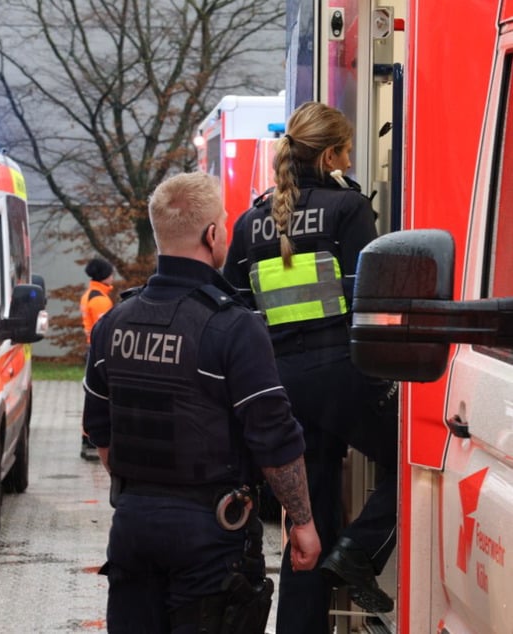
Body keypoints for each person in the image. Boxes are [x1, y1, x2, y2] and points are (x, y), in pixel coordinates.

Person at [82, 171, 321, 633]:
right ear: (212, 234)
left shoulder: (112, 325)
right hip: (210, 535)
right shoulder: (233, 326)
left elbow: (100, 431)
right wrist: (303, 522)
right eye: (224, 225)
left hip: (133, 526)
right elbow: (273, 437)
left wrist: (148, 491)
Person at [222, 101, 399, 632]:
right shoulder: (347, 209)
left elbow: (234, 305)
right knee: (415, 460)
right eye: (346, 150)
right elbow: (374, 297)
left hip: (281, 390)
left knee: (306, 527)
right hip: (343, 379)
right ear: (330, 156)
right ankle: (360, 551)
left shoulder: (252, 220)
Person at [79, 257, 115, 461]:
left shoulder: (88, 295)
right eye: (110, 273)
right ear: (104, 275)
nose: (113, 276)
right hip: (98, 350)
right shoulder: (101, 299)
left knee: (90, 394)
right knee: (97, 396)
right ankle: (90, 441)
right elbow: (105, 329)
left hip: (90, 347)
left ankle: (87, 439)